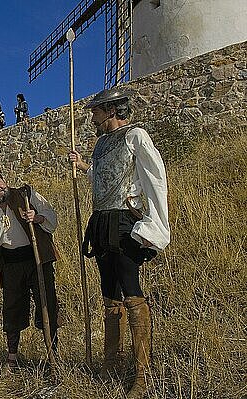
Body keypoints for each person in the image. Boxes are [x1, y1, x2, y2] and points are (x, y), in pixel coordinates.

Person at [69, 88, 170, 399]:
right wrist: (83, 165)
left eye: (96, 111)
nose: (92, 117)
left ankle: (142, 374)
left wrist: (154, 222)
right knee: (109, 296)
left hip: (123, 222)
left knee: (131, 293)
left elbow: (155, 177)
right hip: (100, 222)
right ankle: (112, 363)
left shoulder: (136, 136)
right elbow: (103, 178)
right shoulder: (100, 145)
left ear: (111, 110)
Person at [0, 170, 59, 369]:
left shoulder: (26, 194)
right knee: (12, 310)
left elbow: (51, 215)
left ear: (4, 181)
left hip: (37, 259)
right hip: (11, 266)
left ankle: (53, 357)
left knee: (46, 306)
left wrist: (38, 217)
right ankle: (12, 357)